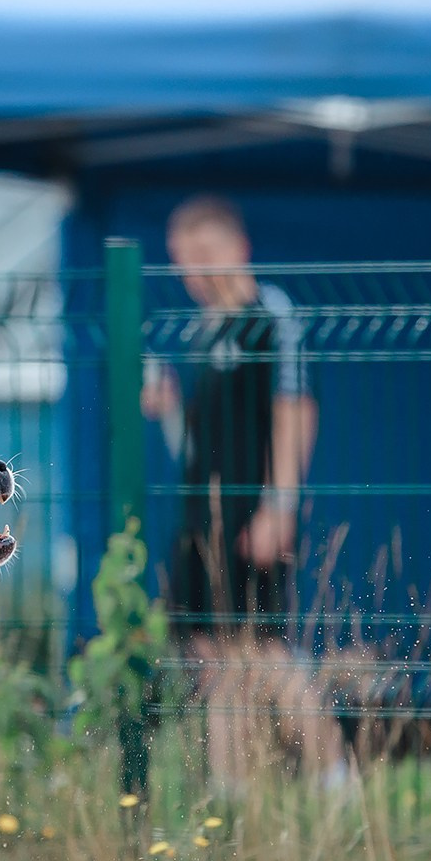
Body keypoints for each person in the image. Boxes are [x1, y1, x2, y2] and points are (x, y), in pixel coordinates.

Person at [143, 196, 343, 785]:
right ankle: (232, 797)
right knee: (210, 656)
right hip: (199, 520)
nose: (194, 271)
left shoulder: (270, 316)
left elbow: (294, 409)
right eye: (184, 259)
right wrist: (169, 409)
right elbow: (196, 447)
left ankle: (336, 780)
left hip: (251, 515)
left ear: (239, 248)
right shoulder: (203, 330)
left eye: (205, 254)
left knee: (262, 650)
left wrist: (278, 506)